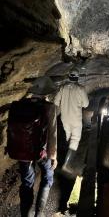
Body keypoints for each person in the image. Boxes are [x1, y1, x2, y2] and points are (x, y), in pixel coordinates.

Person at [18, 76, 57, 217]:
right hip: (42, 152)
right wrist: (53, 157)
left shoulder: (20, 104)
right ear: (47, 93)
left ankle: (25, 214)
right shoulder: (49, 107)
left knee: (27, 182)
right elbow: (52, 134)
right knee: (47, 177)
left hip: (22, 151)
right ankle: (39, 214)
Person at [54, 69, 89, 175]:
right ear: (77, 78)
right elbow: (86, 104)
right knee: (75, 140)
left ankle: (58, 161)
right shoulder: (80, 89)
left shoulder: (62, 88)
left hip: (64, 118)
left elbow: (56, 101)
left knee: (66, 138)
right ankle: (66, 164)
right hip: (76, 119)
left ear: (69, 77)